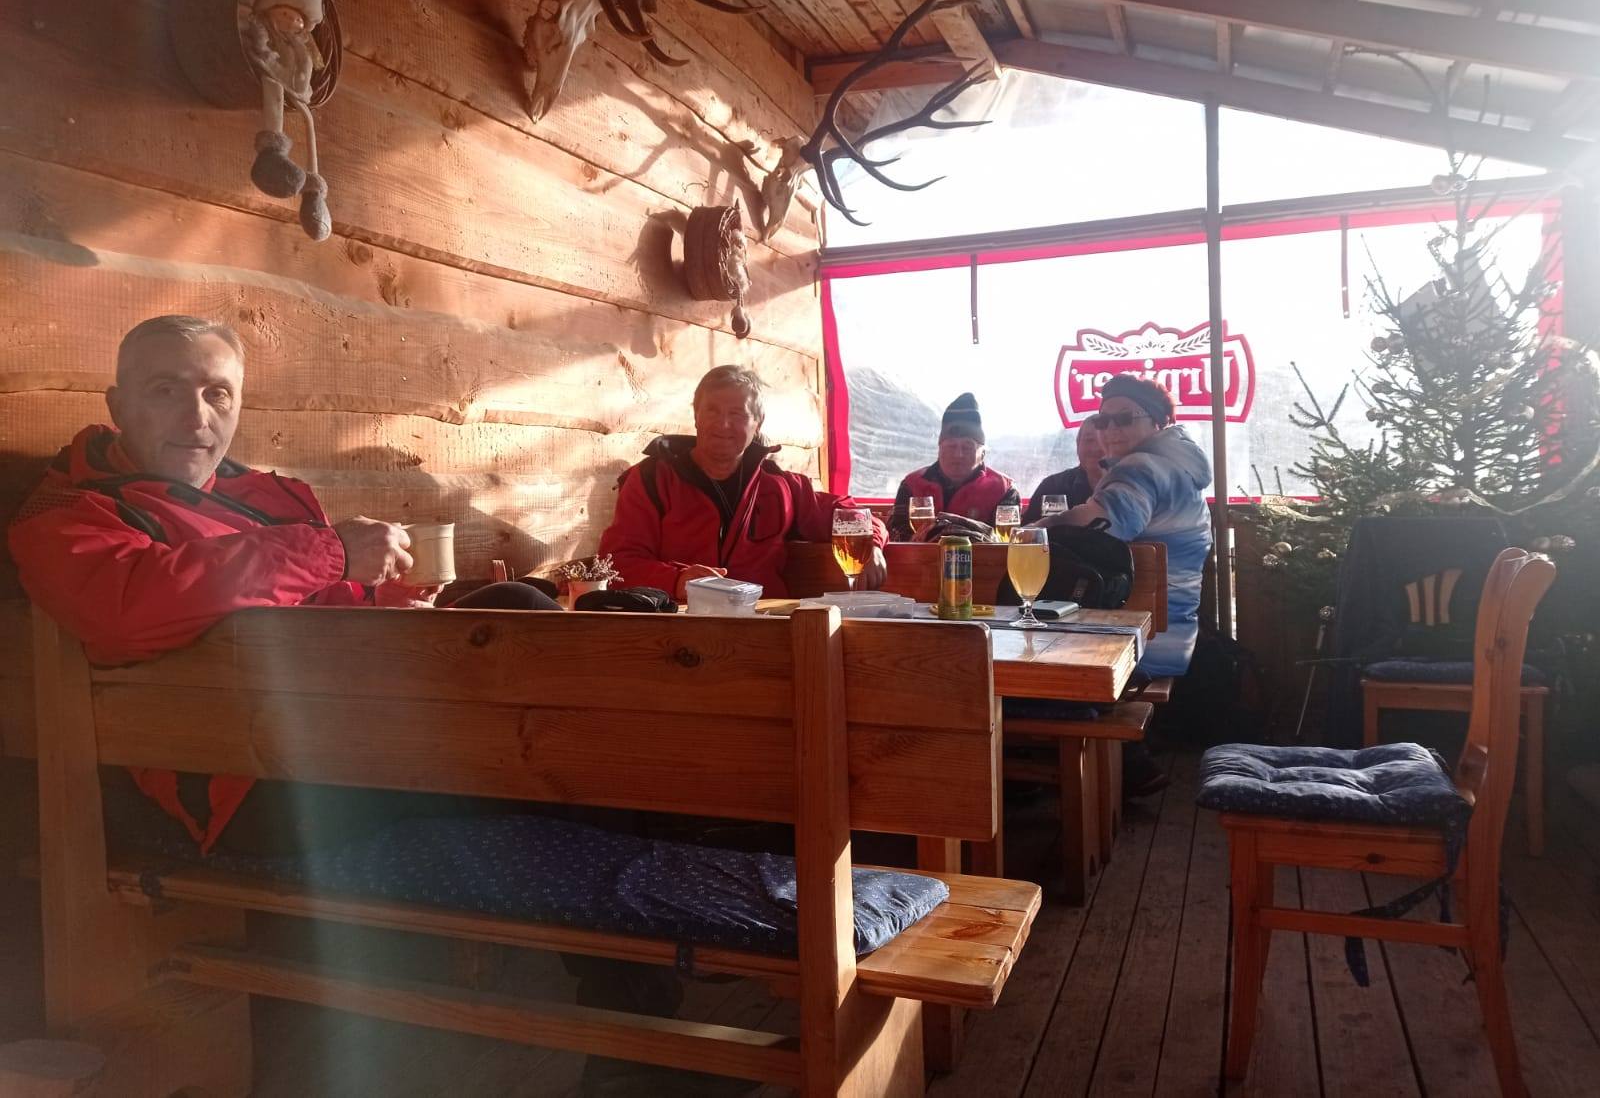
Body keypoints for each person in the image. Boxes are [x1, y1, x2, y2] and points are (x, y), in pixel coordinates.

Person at [7, 315, 560, 857]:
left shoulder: (259, 495)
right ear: (118, 406)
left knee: (515, 607)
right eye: (165, 390)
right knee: (540, 750)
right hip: (245, 774)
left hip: (339, 712)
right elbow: (131, 609)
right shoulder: (69, 513)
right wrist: (332, 552)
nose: (195, 417)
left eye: (217, 393)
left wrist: (391, 593)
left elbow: (320, 606)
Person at [1031, 376, 1212, 798]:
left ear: (1158, 422)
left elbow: (1104, 525)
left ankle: (1037, 770)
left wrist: (1034, 530)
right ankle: (1115, 762)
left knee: (1006, 659)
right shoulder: (1176, 464)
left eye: (1124, 418)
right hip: (1171, 630)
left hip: (1138, 638)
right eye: (1102, 420)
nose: (1109, 430)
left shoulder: (1143, 467)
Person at [600, 365, 886, 599]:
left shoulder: (780, 485)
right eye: (712, 410)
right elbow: (616, 565)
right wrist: (677, 581)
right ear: (696, 416)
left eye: (737, 414)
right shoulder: (651, 479)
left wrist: (870, 545)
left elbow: (853, 514)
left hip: (764, 627)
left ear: (757, 423)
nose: (723, 424)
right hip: (680, 629)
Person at [888, 392, 1020, 542]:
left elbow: (1006, 542)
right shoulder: (912, 484)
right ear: (939, 450)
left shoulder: (1004, 489)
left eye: (967, 447)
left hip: (982, 558)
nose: (958, 454)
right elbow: (897, 534)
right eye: (951, 446)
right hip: (921, 557)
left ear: (983, 454)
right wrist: (914, 541)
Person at [1023, 419, 1106, 521]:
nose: (1096, 448)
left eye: (1104, 440)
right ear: (1077, 445)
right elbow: (1028, 529)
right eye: (1089, 440)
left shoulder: (1123, 488)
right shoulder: (1053, 486)